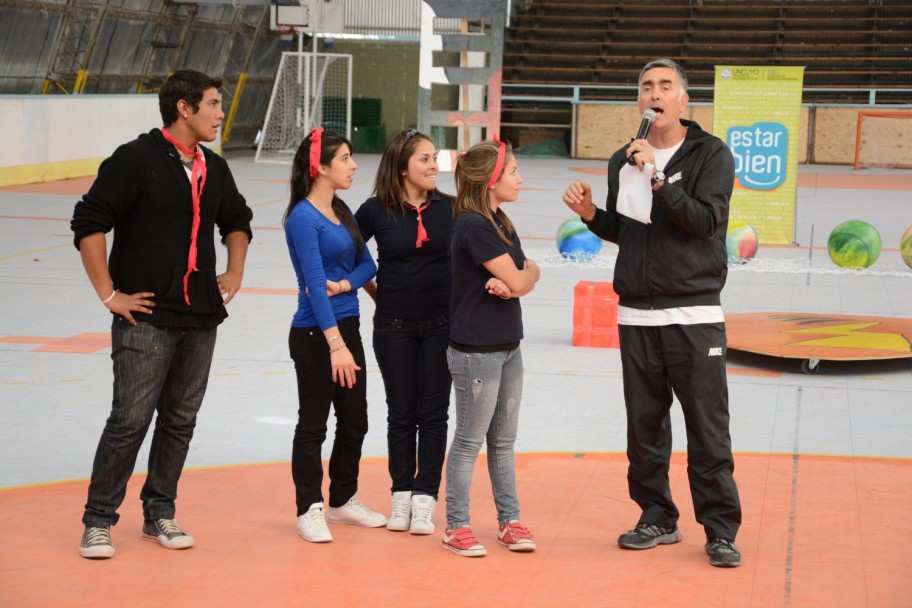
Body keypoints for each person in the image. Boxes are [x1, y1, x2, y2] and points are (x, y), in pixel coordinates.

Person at [561, 58, 743, 568]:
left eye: (665, 86)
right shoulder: (624, 158)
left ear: (684, 100)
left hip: (694, 314)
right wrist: (593, 216)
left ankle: (721, 530)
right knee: (644, 429)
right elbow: (630, 230)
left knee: (708, 430)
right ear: (639, 100)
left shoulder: (711, 154)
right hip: (637, 316)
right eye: (646, 87)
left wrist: (660, 178)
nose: (654, 93)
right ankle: (656, 516)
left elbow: (704, 222)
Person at [71, 69, 253, 559]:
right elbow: (89, 222)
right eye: (214, 104)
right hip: (145, 319)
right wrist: (110, 296)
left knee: (179, 421)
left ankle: (160, 512)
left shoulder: (214, 168)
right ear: (184, 108)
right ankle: (98, 520)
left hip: (201, 318)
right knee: (130, 419)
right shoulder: (134, 160)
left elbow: (237, 222)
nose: (220, 114)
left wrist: (234, 271)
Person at [284, 127, 386, 543]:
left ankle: (342, 499)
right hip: (315, 332)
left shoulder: (342, 210)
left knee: (355, 420)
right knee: (313, 424)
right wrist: (335, 345)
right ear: (320, 167)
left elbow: (368, 266)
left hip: (347, 323)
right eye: (344, 157)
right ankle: (308, 506)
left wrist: (344, 285)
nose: (353, 164)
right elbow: (313, 284)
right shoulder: (302, 218)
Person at [441, 137, 541, 558]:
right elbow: (523, 278)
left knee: (503, 440)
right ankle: (456, 526)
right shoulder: (473, 225)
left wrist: (522, 276)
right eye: (514, 171)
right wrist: (522, 277)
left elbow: (524, 275)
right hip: (476, 352)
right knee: (469, 440)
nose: (520, 178)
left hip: (507, 346)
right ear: (491, 180)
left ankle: (509, 521)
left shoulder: (500, 219)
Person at [355, 129, 453, 535]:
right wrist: (381, 295)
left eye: (434, 158)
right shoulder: (375, 210)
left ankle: (425, 500)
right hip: (393, 325)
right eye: (425, 160)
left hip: (442, 326)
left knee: (433, 415)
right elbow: (352, 255)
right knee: (401, 413)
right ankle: (401, 496)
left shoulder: (451, 208)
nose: (434, 166)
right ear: (401, 168)